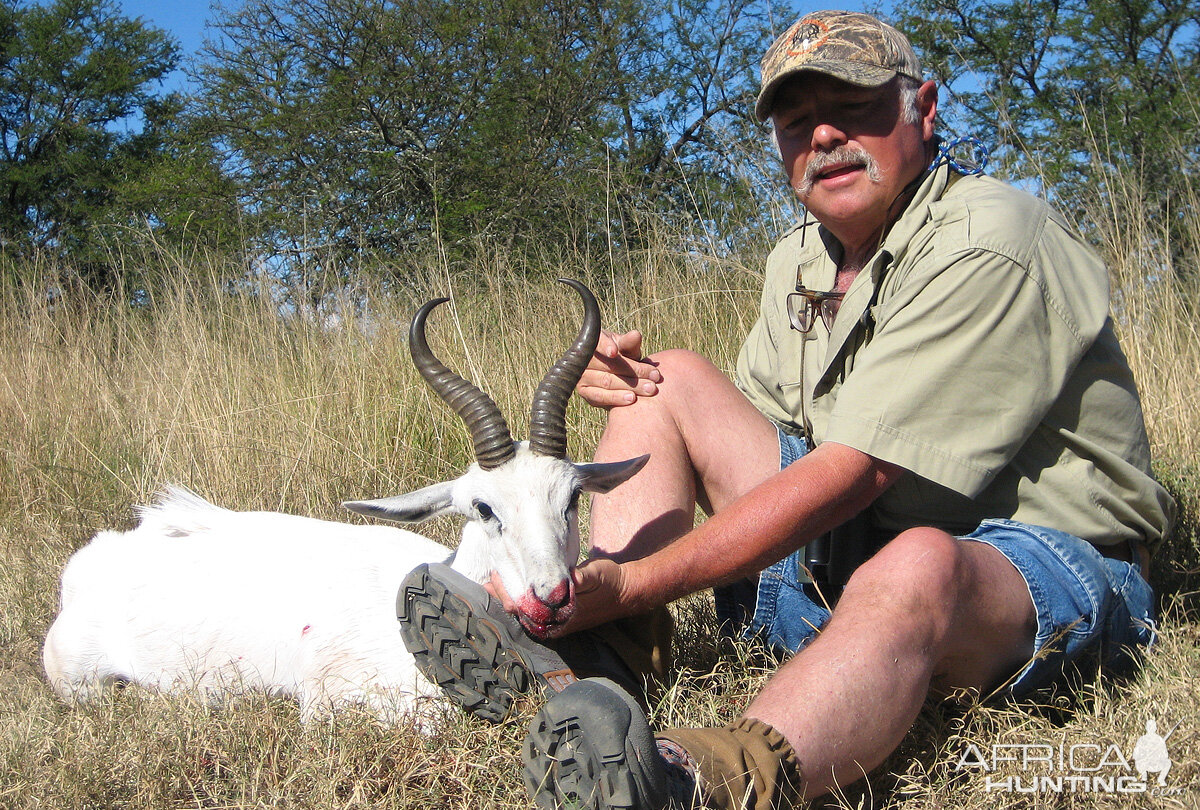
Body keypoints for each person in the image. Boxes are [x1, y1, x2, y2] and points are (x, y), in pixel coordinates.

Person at [398, 10, 1175, 809]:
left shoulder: (990, 239)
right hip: (867, 549)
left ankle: (692, 779)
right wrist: (631, 387)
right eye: (797, 122)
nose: (826, 136)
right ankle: (603, 657)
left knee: (921, 561)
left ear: (925, 109)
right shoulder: (801, 258)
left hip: (1045, 575)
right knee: (669, 381)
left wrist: (637, 579)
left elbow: (852, 473)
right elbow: (768, 439)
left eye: (858, 107)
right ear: (778, 147)